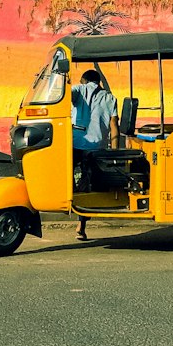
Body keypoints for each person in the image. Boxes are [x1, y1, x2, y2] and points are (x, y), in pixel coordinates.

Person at [70, 69, 119, 241]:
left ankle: (68, 194)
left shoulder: (78, 89)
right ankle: (81, 226)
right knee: (87, 184)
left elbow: (62, 96)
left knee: (65, 174)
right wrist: (114, 153)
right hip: (97, 148)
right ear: (98, 81)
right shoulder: (110, 98)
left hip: (74, 144)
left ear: (84, 80)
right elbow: (114, 126)